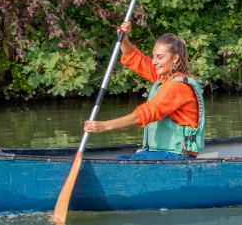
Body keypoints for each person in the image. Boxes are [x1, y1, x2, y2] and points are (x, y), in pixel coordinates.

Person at [83, 22, 206, 159]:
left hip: (178, 155)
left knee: (122, 162)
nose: (154, 62)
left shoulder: (177, 86)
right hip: (160, 152)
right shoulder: (163, 78)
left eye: (159, 57)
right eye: (154, 56)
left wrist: (104, 126)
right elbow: (136, 59)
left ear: (175, 58)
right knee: (124, 160)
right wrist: (124, 39)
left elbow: (146, 113)